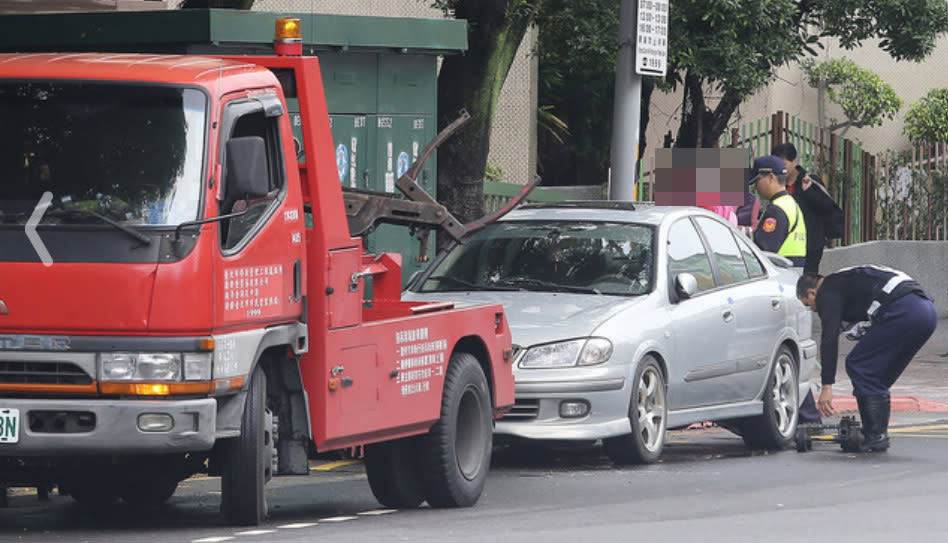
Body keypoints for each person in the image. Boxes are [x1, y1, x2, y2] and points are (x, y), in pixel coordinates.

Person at [796, 266, 937, 452]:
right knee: (875, 376)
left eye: (809, 305)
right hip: (926, 310)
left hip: (904, 310)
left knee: (859, 364)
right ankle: (875, 432)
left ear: (812, 292)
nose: (814, 310)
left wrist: (827, 386)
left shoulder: (827, 291)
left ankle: (875, 435)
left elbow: (829, 339)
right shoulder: (844, 279)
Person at [771, 143, 844, 274]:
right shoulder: (777, 184)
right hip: (786, 247)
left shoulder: (810, 181)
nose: (781, 169)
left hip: (811, 245)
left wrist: (809, 191)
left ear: (794, 162)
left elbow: (827, 206)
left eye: (784, 164)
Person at [748, 155, 807, 268]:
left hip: (780, 274)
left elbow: (763, 253)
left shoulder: (776, 210)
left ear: (771, 177)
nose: (755, 187)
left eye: (757, 181)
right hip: (793, 272)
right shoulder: (790, 203)